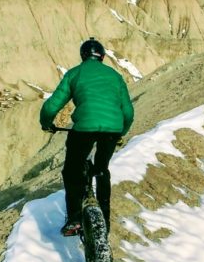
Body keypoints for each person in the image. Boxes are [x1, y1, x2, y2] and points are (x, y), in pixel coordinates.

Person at [40, 37, 134, 237]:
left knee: (72, 171)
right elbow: (128, 113)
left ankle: (74, 219)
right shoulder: (115, 76)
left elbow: (51, 106)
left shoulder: (75, 73)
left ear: (83, 55)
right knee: (102, 170)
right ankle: (105, 222)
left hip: (83, 129)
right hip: (113, 129)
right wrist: (120, 133)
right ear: (101, 56)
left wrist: (46, 124)